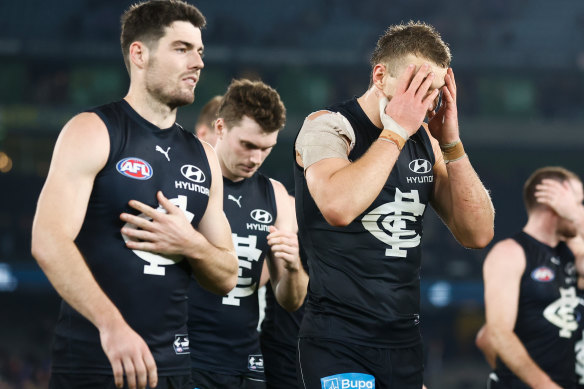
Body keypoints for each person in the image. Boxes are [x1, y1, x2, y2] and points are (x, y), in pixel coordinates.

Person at [30, 2, 238, 389]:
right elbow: (48, 240)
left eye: (200, 51)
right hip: (97, 362)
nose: (198, 63)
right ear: (139, 54)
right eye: (182, 49)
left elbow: (227, 276)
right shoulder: (93, 130)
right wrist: (112, 327)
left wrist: (191, 244)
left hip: (173, 368)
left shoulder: (205, 157)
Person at [293, 21, 495, 388]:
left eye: (432, 92)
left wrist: (451, 144)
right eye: (415, 89)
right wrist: (396, 132)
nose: (425, 105)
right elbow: (339, 207)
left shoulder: (424, 139)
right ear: (380, 76)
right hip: (339, 340)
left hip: (404, 344)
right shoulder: (328, 127)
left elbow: (478, 232)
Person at [187, 79, 308, 389]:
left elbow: (291, 299)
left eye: (266, 148)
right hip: (186, 358)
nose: (256, 158)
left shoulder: (276, 196)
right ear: (220, 128)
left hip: (247, 364)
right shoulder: (184, 179)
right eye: (248, 145)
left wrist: (293, 268)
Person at [480, 166, 583, 388]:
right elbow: (497, 334)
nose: (581, 211)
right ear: (554, 202)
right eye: (579, 202)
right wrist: (545, 385)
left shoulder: (570, 254)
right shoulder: (510, 252)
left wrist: (575, 218)